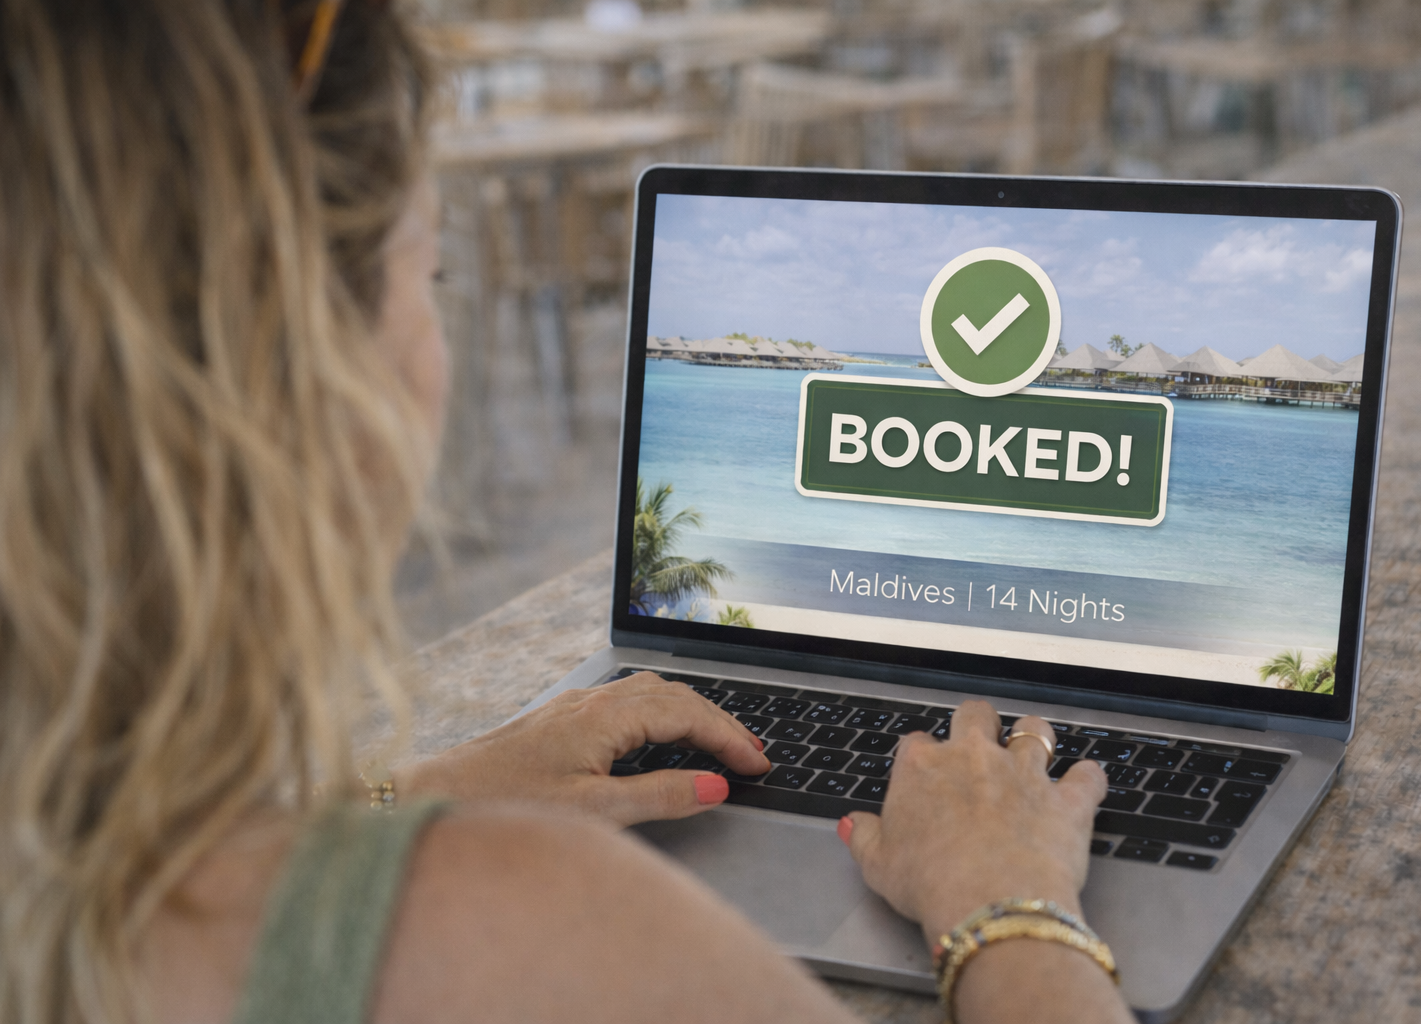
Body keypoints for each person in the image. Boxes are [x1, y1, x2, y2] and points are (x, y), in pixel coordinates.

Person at [0, 3, 1134, 1023]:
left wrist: (401, 802)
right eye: (430, 271)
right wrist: (1012, 910)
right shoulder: (546, 931)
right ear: (299, 356)